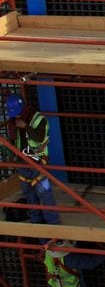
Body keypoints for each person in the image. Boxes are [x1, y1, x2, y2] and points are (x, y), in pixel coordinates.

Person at [6, 92, 59, 225]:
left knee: (45, 195)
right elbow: (14, 140)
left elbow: (39, 137)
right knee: (30, 195)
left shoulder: (39, 119)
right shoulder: (13, 121)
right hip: (23, 164)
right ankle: (36, 223)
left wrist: (26, 127)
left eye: (17, 113)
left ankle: (53, 225)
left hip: (38, 163)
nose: (16, 116)